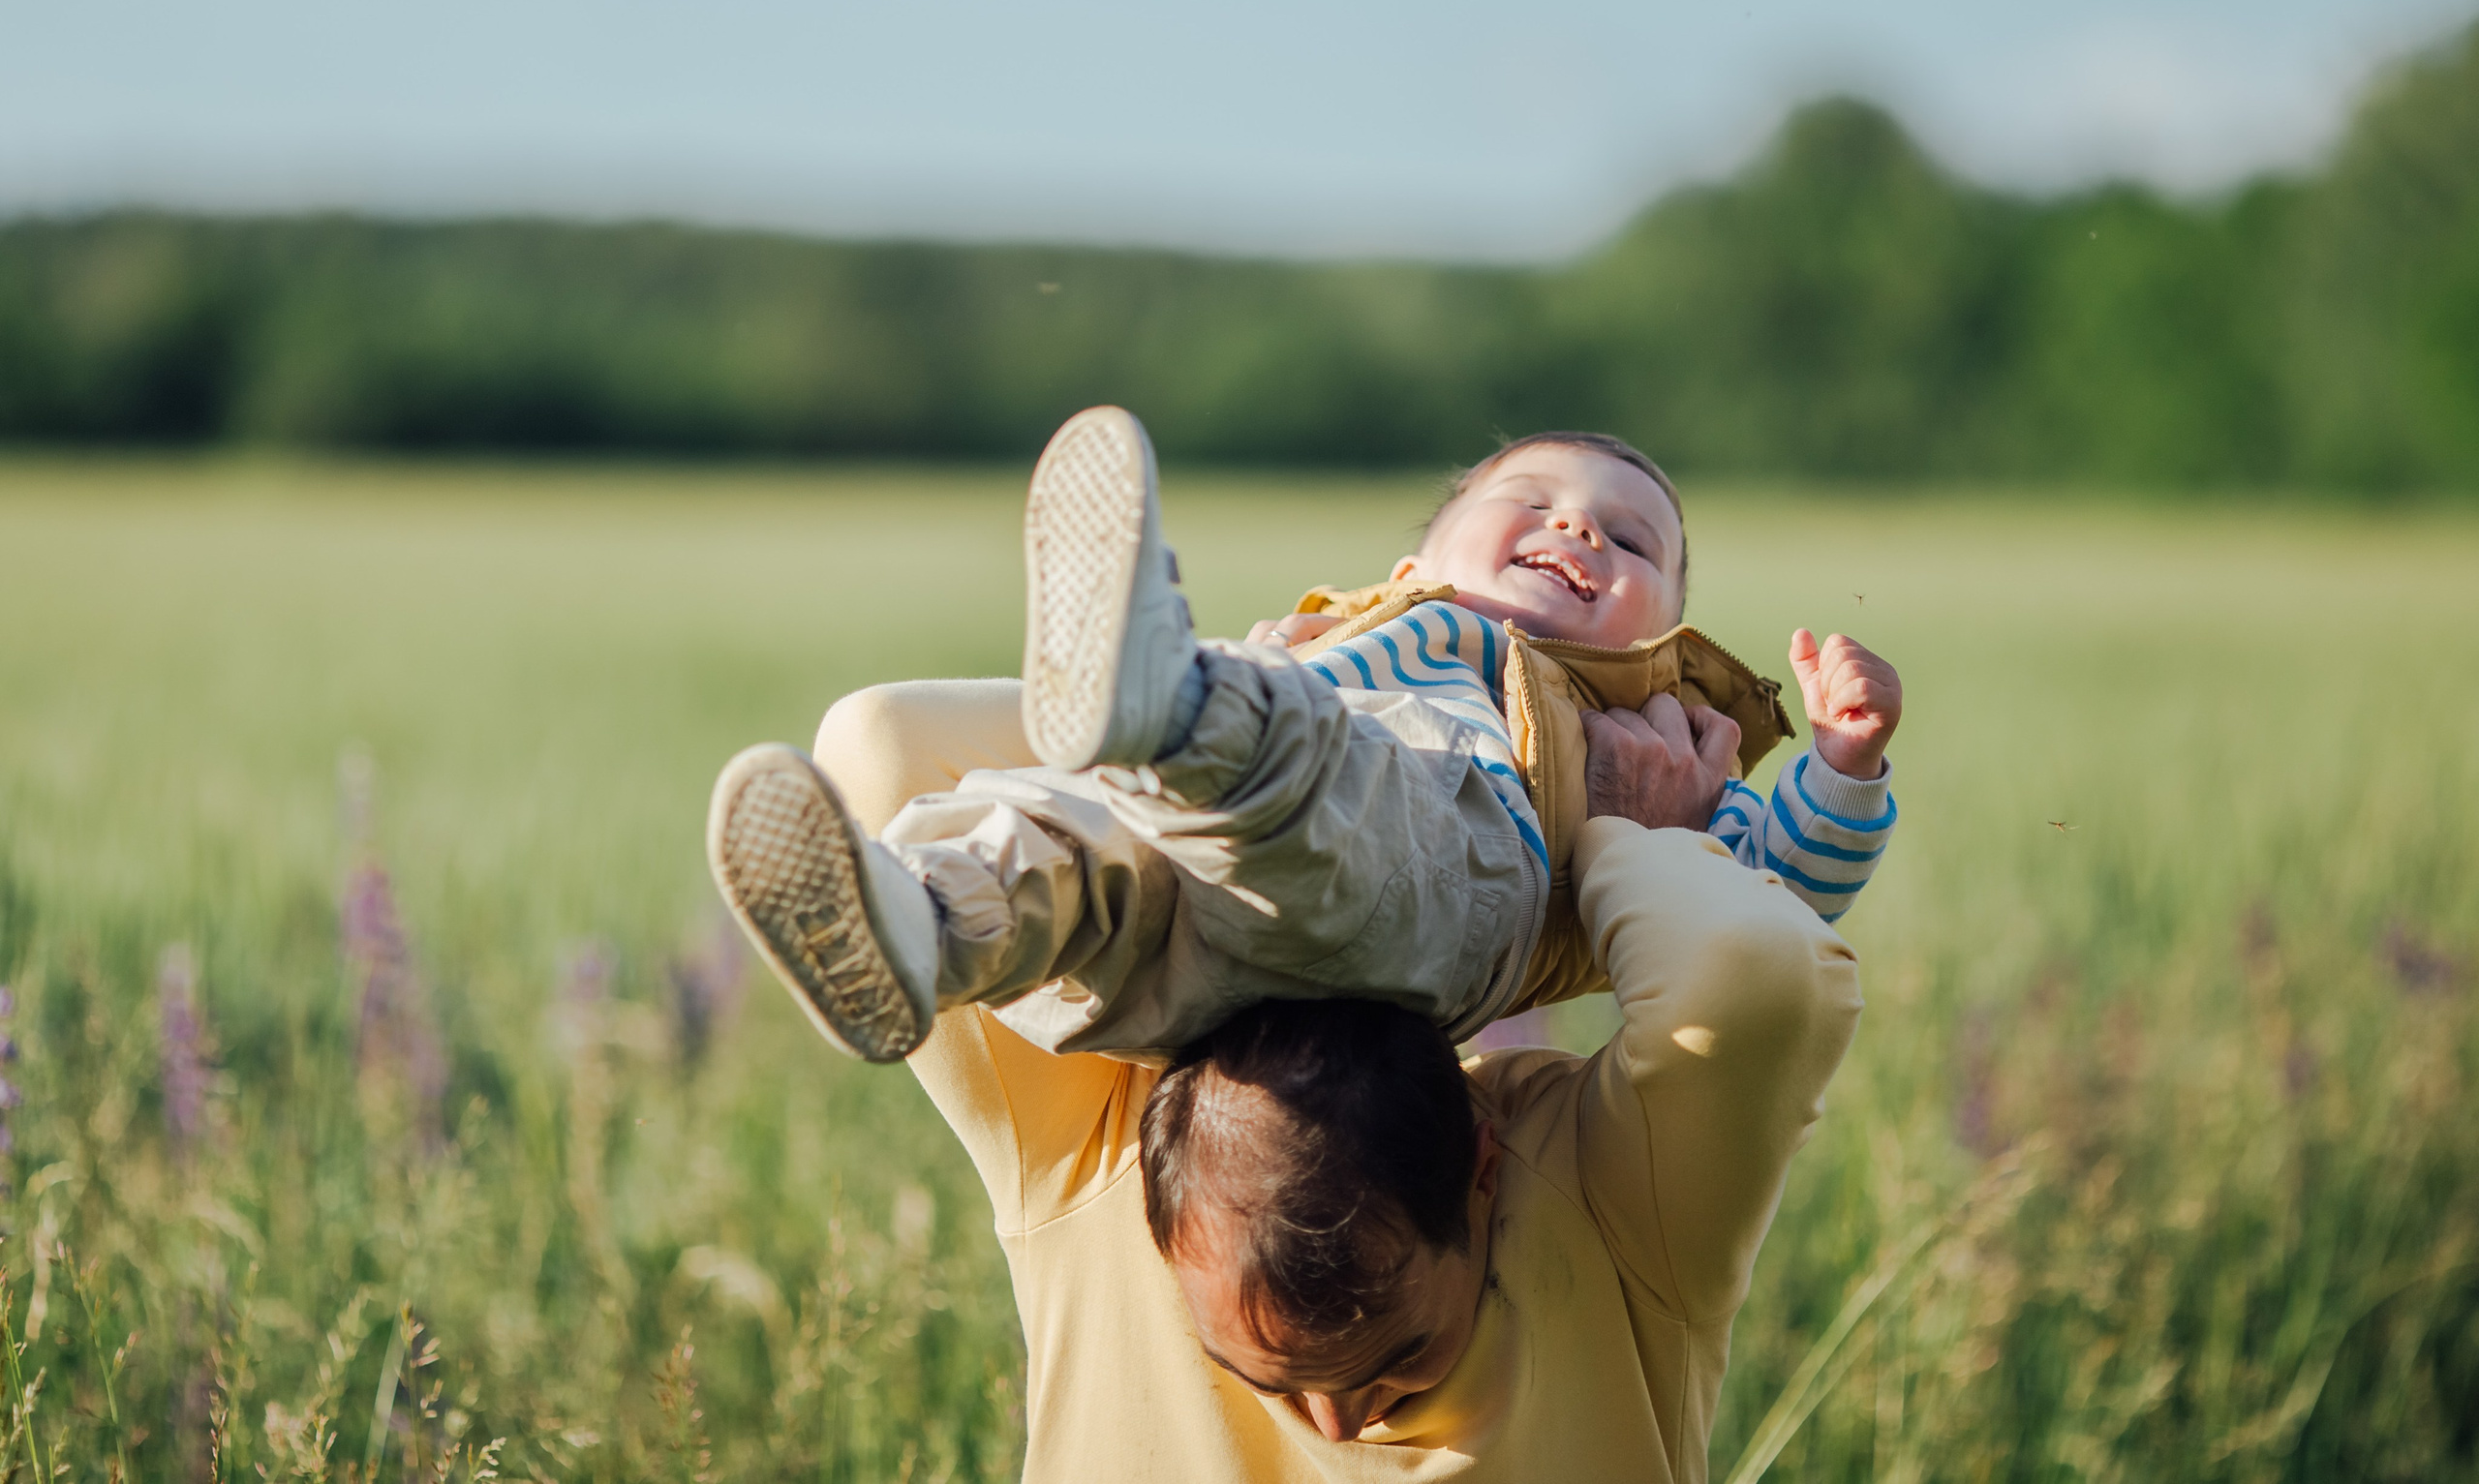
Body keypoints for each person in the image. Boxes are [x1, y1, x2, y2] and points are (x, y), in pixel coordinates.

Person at [811, 681, 1866, 1482]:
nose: (1340, 1424)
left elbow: (1750, 982)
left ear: (1482, 1167)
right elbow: (875, 751)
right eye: (1263, 1375)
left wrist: (1597, 823)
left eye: (1399, 1349)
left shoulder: (1607, 1211)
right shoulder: (1106, 1155)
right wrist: (1235, 730)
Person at [704, 406, 1900, 1063]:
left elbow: (1779, 882)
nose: (1580, 533)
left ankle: (1170, 705)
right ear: (1411, 570)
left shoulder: (1649, 731)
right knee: (1079, 855)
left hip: (1437, 879)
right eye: (1533, 505)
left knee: (1320, 774)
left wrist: (1840, 766)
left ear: (1668, 627)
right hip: (1208, 931)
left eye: (1628, 543)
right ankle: (919, 925)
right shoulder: (1350, 635)